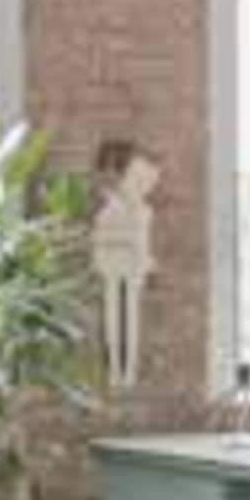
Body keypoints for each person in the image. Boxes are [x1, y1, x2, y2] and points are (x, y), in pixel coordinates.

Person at [90, 139, 159, 391]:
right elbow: (100, 235)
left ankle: (126, 374)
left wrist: (147, 262)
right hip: (114, 262)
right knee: (113, 317)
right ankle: (116, 373)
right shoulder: (113, 203)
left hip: (129, 263)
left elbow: (141, 240)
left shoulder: (139, 209)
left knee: (128, 318)